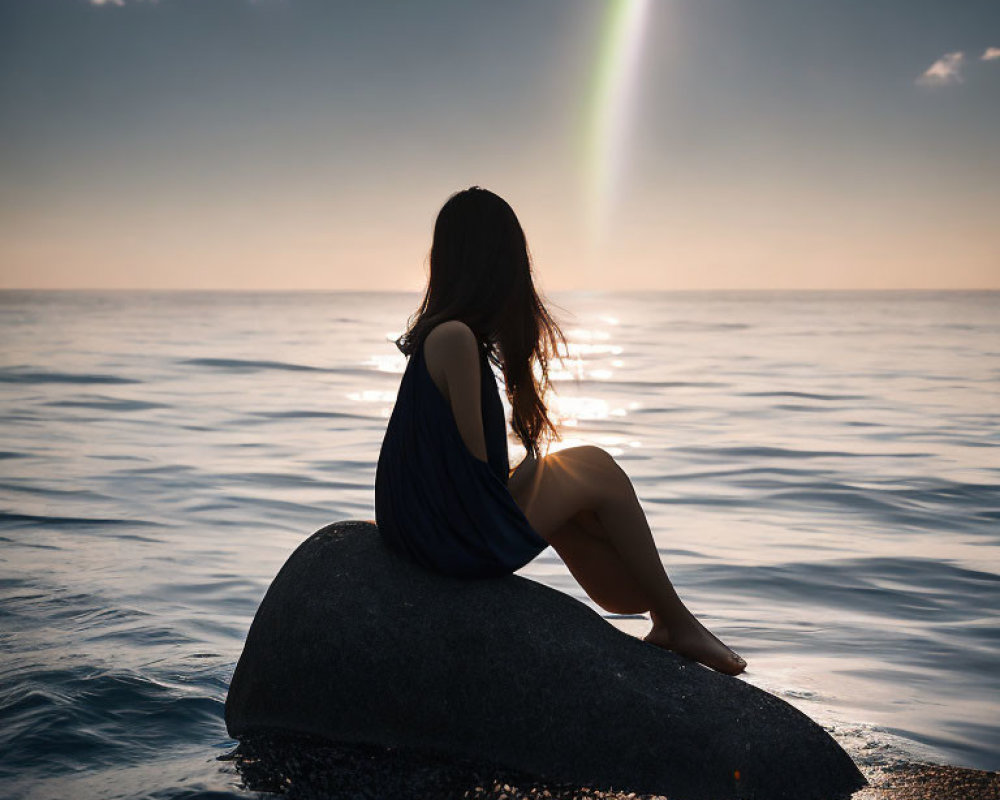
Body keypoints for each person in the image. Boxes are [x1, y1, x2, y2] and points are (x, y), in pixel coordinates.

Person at [374, 186, 746, 676]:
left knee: (582, 492)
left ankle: (664, 615)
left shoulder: (442, 337)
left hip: (433, 531)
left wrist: (559, 499)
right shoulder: (455, 339)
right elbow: (479, 472)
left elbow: (460, 469)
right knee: (592, 466)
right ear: (497, 263)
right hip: (448, 541)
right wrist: (543, 484)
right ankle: (675, 621)